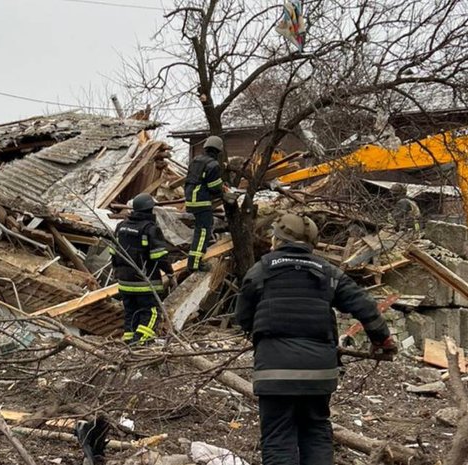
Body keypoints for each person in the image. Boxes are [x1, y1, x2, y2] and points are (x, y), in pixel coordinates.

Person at [234, 213, 398, 465]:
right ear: (312, 243)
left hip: (275, 370)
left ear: (277, 240)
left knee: (278, 438)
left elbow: (243, 317)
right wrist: (382, 341)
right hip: (318, 371)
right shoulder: (328, 271)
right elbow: (365, 306)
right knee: (316, 431)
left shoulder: (261, 270)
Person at [110, 193, 175, 345]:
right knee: (151, 312)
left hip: (124, 281)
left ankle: (129, 342)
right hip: (145, 282)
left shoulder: (121, 226)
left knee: (131, 312)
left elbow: (113, 253)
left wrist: (117, 272)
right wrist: (170, 273)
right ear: (150, 209)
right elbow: (160, 257)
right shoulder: (150, 229)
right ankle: (140, 343)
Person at [185, 136, 238, 272]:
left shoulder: (196, 160)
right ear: (218, 150)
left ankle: (193, 261)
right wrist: (224, 192)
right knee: (203, 232)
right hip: (201, 201)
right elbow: (213, 187)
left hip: (191, 199)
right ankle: (195, 264)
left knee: (200, 231)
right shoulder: (213, 165)